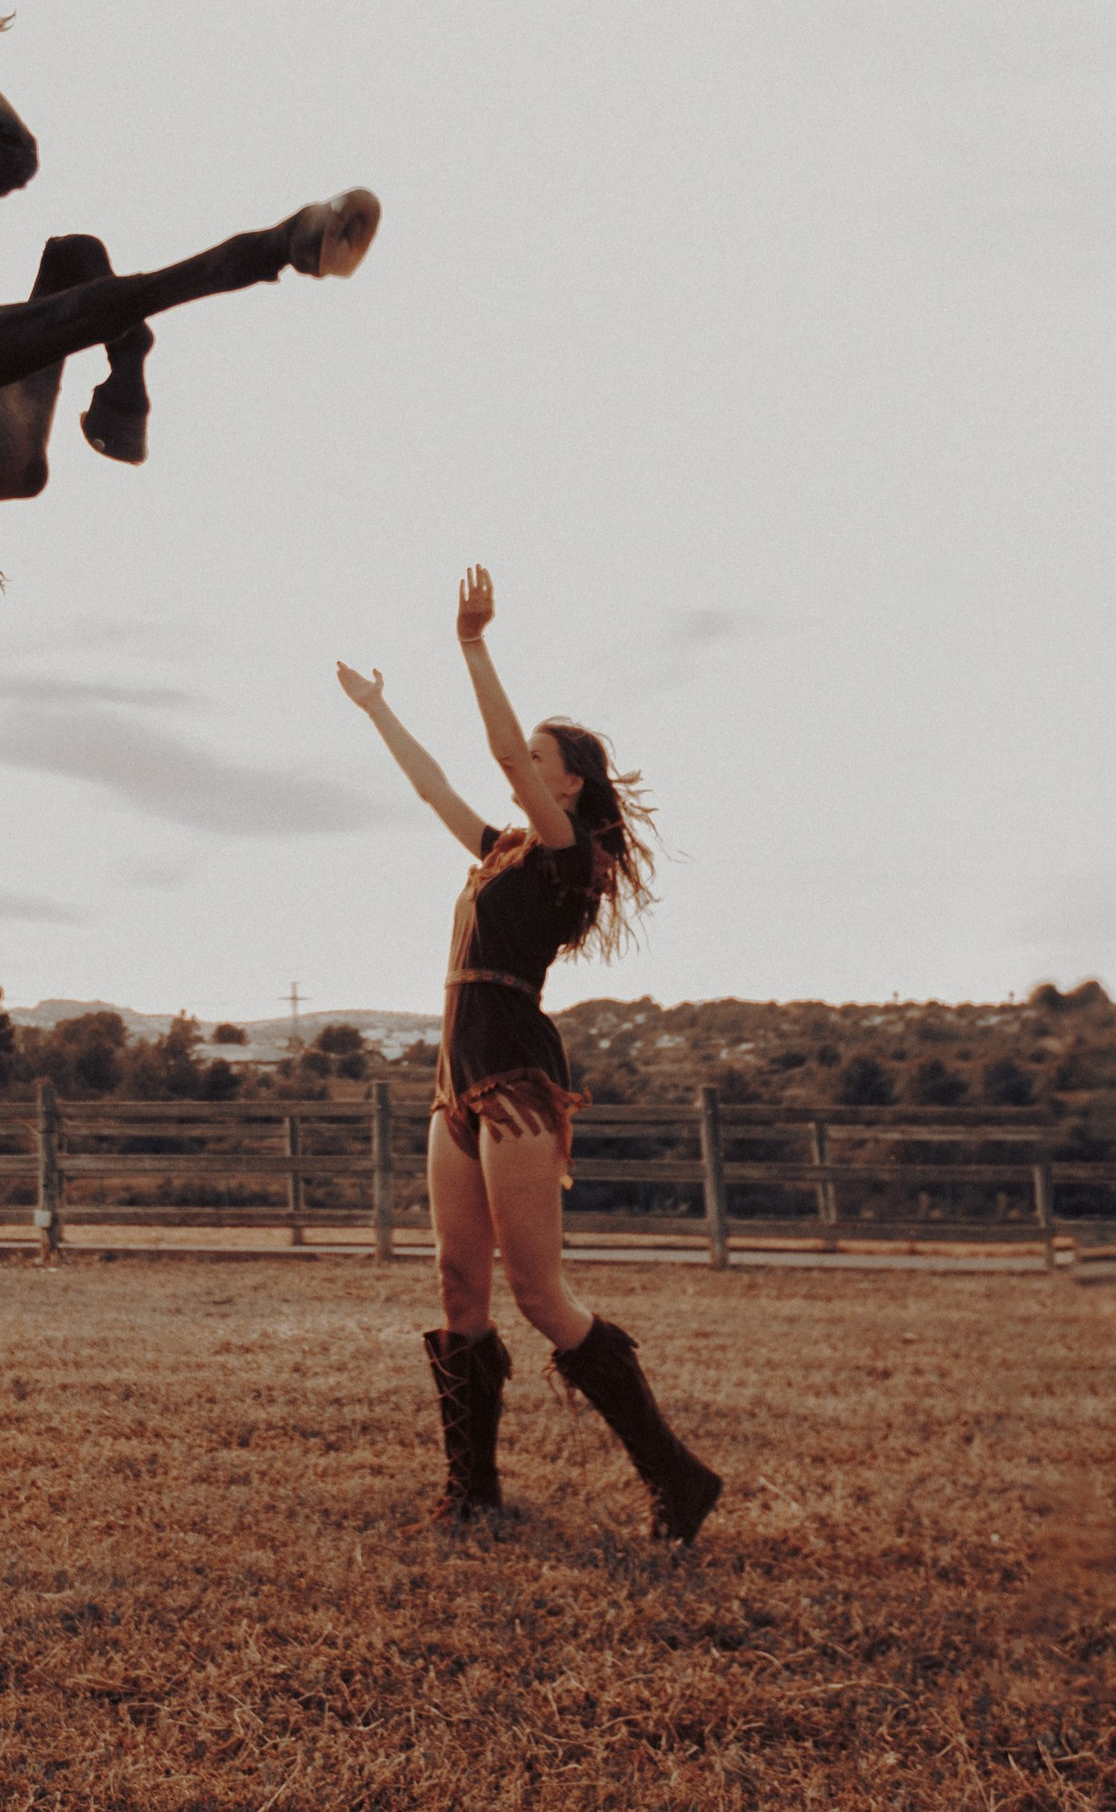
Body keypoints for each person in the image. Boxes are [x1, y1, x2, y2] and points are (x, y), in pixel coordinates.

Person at [336, 567, 722, 1541]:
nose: (525, 766)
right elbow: (433, 786)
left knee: (539, 1294)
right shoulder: (503, 850)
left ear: (568, 782)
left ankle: (677, 1476)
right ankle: (471, 1492)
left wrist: (472, 644)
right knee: (457, 1285)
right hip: (454, 1078)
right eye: (531, 759)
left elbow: (503, 753)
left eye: (542, 758)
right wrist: (378, 710)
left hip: (514, 1070)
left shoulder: (566, 855)